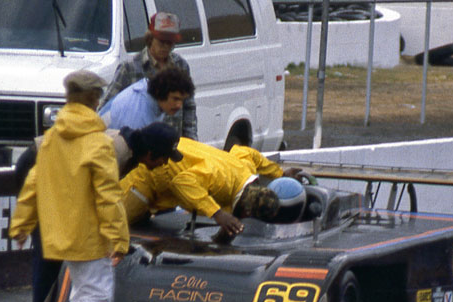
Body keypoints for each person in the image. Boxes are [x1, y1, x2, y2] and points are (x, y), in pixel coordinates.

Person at [10, 70, 129, 302]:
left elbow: (33, 185)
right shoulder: (97, 143)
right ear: (93, 99)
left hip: (58, 233)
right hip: (90, 236)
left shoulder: (51, 139)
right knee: (97, 300)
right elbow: (108, 195)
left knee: (83, 300)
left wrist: (21, 224)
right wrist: (119, 238)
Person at [120, 131, 306, 241]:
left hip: (176, 161)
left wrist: (280, 173)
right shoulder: (220, 180)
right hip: (147, 177)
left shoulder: (244, 169)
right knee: (113, 223)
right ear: (247, 211)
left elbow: (246, 152)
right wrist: (218, 214)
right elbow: (182, 182)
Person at [102, 12, 197, 140]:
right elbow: (107, 107)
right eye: (161, 42)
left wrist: (192, 142)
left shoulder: (181, 65)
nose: (165, 47)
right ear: (150, 38)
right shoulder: (129, 68)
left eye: (170, 43)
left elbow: (189, 107)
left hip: (174, 144)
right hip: (140, 146)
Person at [99, 66, 194, 134]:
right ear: (159, 91)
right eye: (175, 99)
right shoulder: (137, 113)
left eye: (182, 100)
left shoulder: (152, 97)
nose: (179, 105)